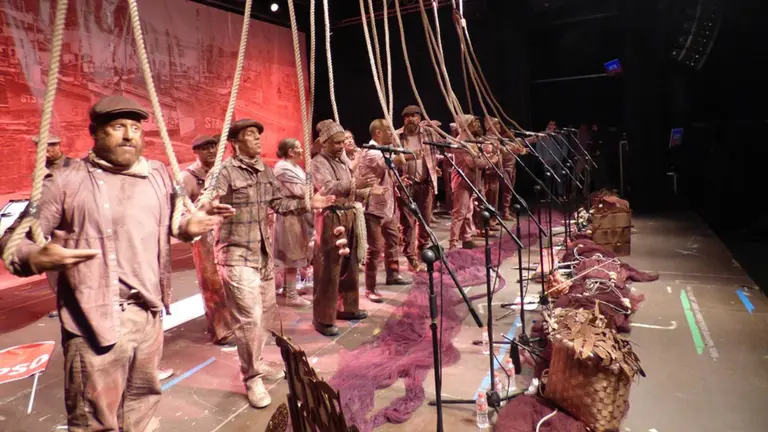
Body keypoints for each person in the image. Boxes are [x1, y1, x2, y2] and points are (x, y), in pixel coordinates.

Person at [6, 95, 234, 431]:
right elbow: (14, 239)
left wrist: (190, 226)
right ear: (94, 133)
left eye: (135, 128)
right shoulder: (67, 179)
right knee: (94, 418)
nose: (129, 135)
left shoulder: (156, 173)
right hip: (94, 319)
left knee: (143, 401)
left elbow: (174, 224)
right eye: (117, 127)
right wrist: (35, 256)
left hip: (149, 315)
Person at [212, 119, 335, 408]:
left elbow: (279, 204)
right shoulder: (225, 172)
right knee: (250, 318)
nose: (256, 140)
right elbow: (210, 198)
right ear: (236, 142)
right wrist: (207, 208)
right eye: (250, 135)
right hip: (236, 255)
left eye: (258, 135)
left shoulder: (265, 171)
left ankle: (257, 362)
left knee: (266, 316)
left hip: (261, 255)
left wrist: (309, 204)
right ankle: (251, 377)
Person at [311, 119, 381, 336]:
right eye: (337, 143)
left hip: (349, 214)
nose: (342, 146)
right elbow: (328, 187)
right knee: (329, 270)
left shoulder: (341, 159)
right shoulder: (318, 162)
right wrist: (355, 185)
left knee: (350, 267)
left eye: (342, 142)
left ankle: (347, 308)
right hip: (331, 218)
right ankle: (323, 318)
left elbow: (350, 189)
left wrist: (368, 190)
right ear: (324, 143)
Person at [180, 135, 236, 346]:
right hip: (205, 237)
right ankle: (220, 330)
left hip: (227, 233)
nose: (211, 151)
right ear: (196, 152)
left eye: (213, 146)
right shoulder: (187, 177)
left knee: (229, 281)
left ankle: (231, 324)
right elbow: (181, 208)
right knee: (212, 283)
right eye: (205, 148)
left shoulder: (223, 172)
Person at [358, 119, 410, 303]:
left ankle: (393, 274)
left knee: (393, 241)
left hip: (388, 205)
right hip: (373, 206)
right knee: (375, 248)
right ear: (378, 133)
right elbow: (389, 164)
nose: (392, 132)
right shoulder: (371, 151)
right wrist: (405, 150)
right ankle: (370, 288)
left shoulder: (382, 149)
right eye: (388, 130)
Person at [396, 105, 441, 272]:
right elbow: (390, 159)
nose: (411, 119)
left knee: (425, 222)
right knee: (407, 224)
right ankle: (411, 259)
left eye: (414, 116)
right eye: (407, 117)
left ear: (420, 118)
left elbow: (445, 145)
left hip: (425, 183)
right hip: (406, 185)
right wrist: (397, 179)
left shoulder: (429, 133)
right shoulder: (397, 136)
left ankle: (423, 253)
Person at [273, 138, 313, 307]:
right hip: (289, 213)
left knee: (295, 252)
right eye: (298, 147)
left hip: (299, 213)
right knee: (291, 254)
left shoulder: (296, 167)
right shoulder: (283, 167)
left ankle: (290, 289)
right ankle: (291, 295)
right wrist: (311, 187)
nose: (302, 150)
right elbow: (301, 191)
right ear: (290, 151)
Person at [449, 115, 490, 250]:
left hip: (470, 181)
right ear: (467, 125)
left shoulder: (473, 140)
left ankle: (466, 239)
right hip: (462, 181)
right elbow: (473, 163)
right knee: (459, 213)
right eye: (474, 122)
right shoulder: (463, 141)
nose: (478, 124)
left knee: (468, 212)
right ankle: (453, 243)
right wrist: (492, 159)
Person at [485, 117, 527, 220]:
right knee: (491, 197)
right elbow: (502, 151)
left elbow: (504, 149)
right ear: (491, 127)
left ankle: (493, 219)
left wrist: (518, 150)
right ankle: (492, 219)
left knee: (495, 198)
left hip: (498, 171)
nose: (499, 126)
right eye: (497, 125)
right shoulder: (489, 139)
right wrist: (514, 149)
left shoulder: (498, 140)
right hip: (493, 171)